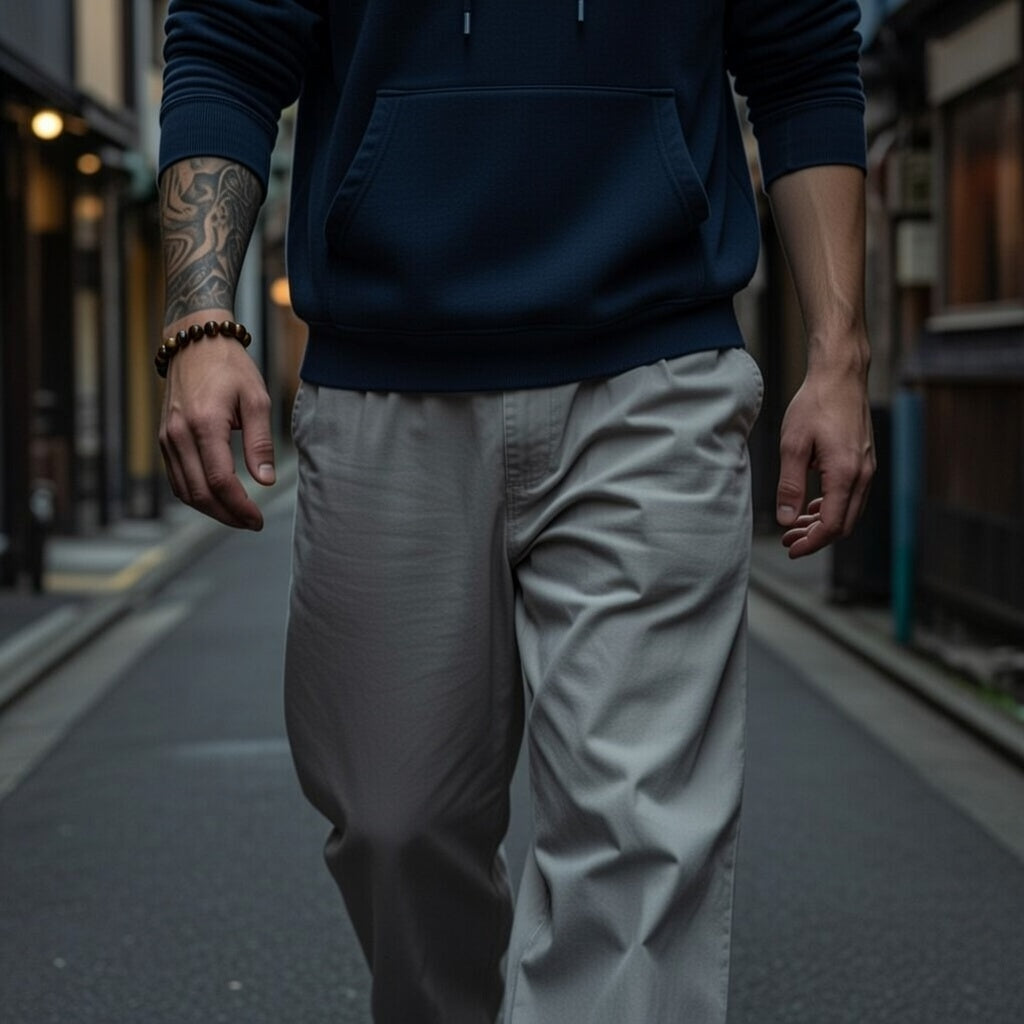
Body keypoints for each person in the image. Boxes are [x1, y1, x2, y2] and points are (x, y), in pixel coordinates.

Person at [156, 2, 875, 1021]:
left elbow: (803, 60)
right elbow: (228, 46)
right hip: (384, 374)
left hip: (656, 367)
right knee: (396, 826)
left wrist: (839, 353)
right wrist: (199, 318)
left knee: (640, 841)